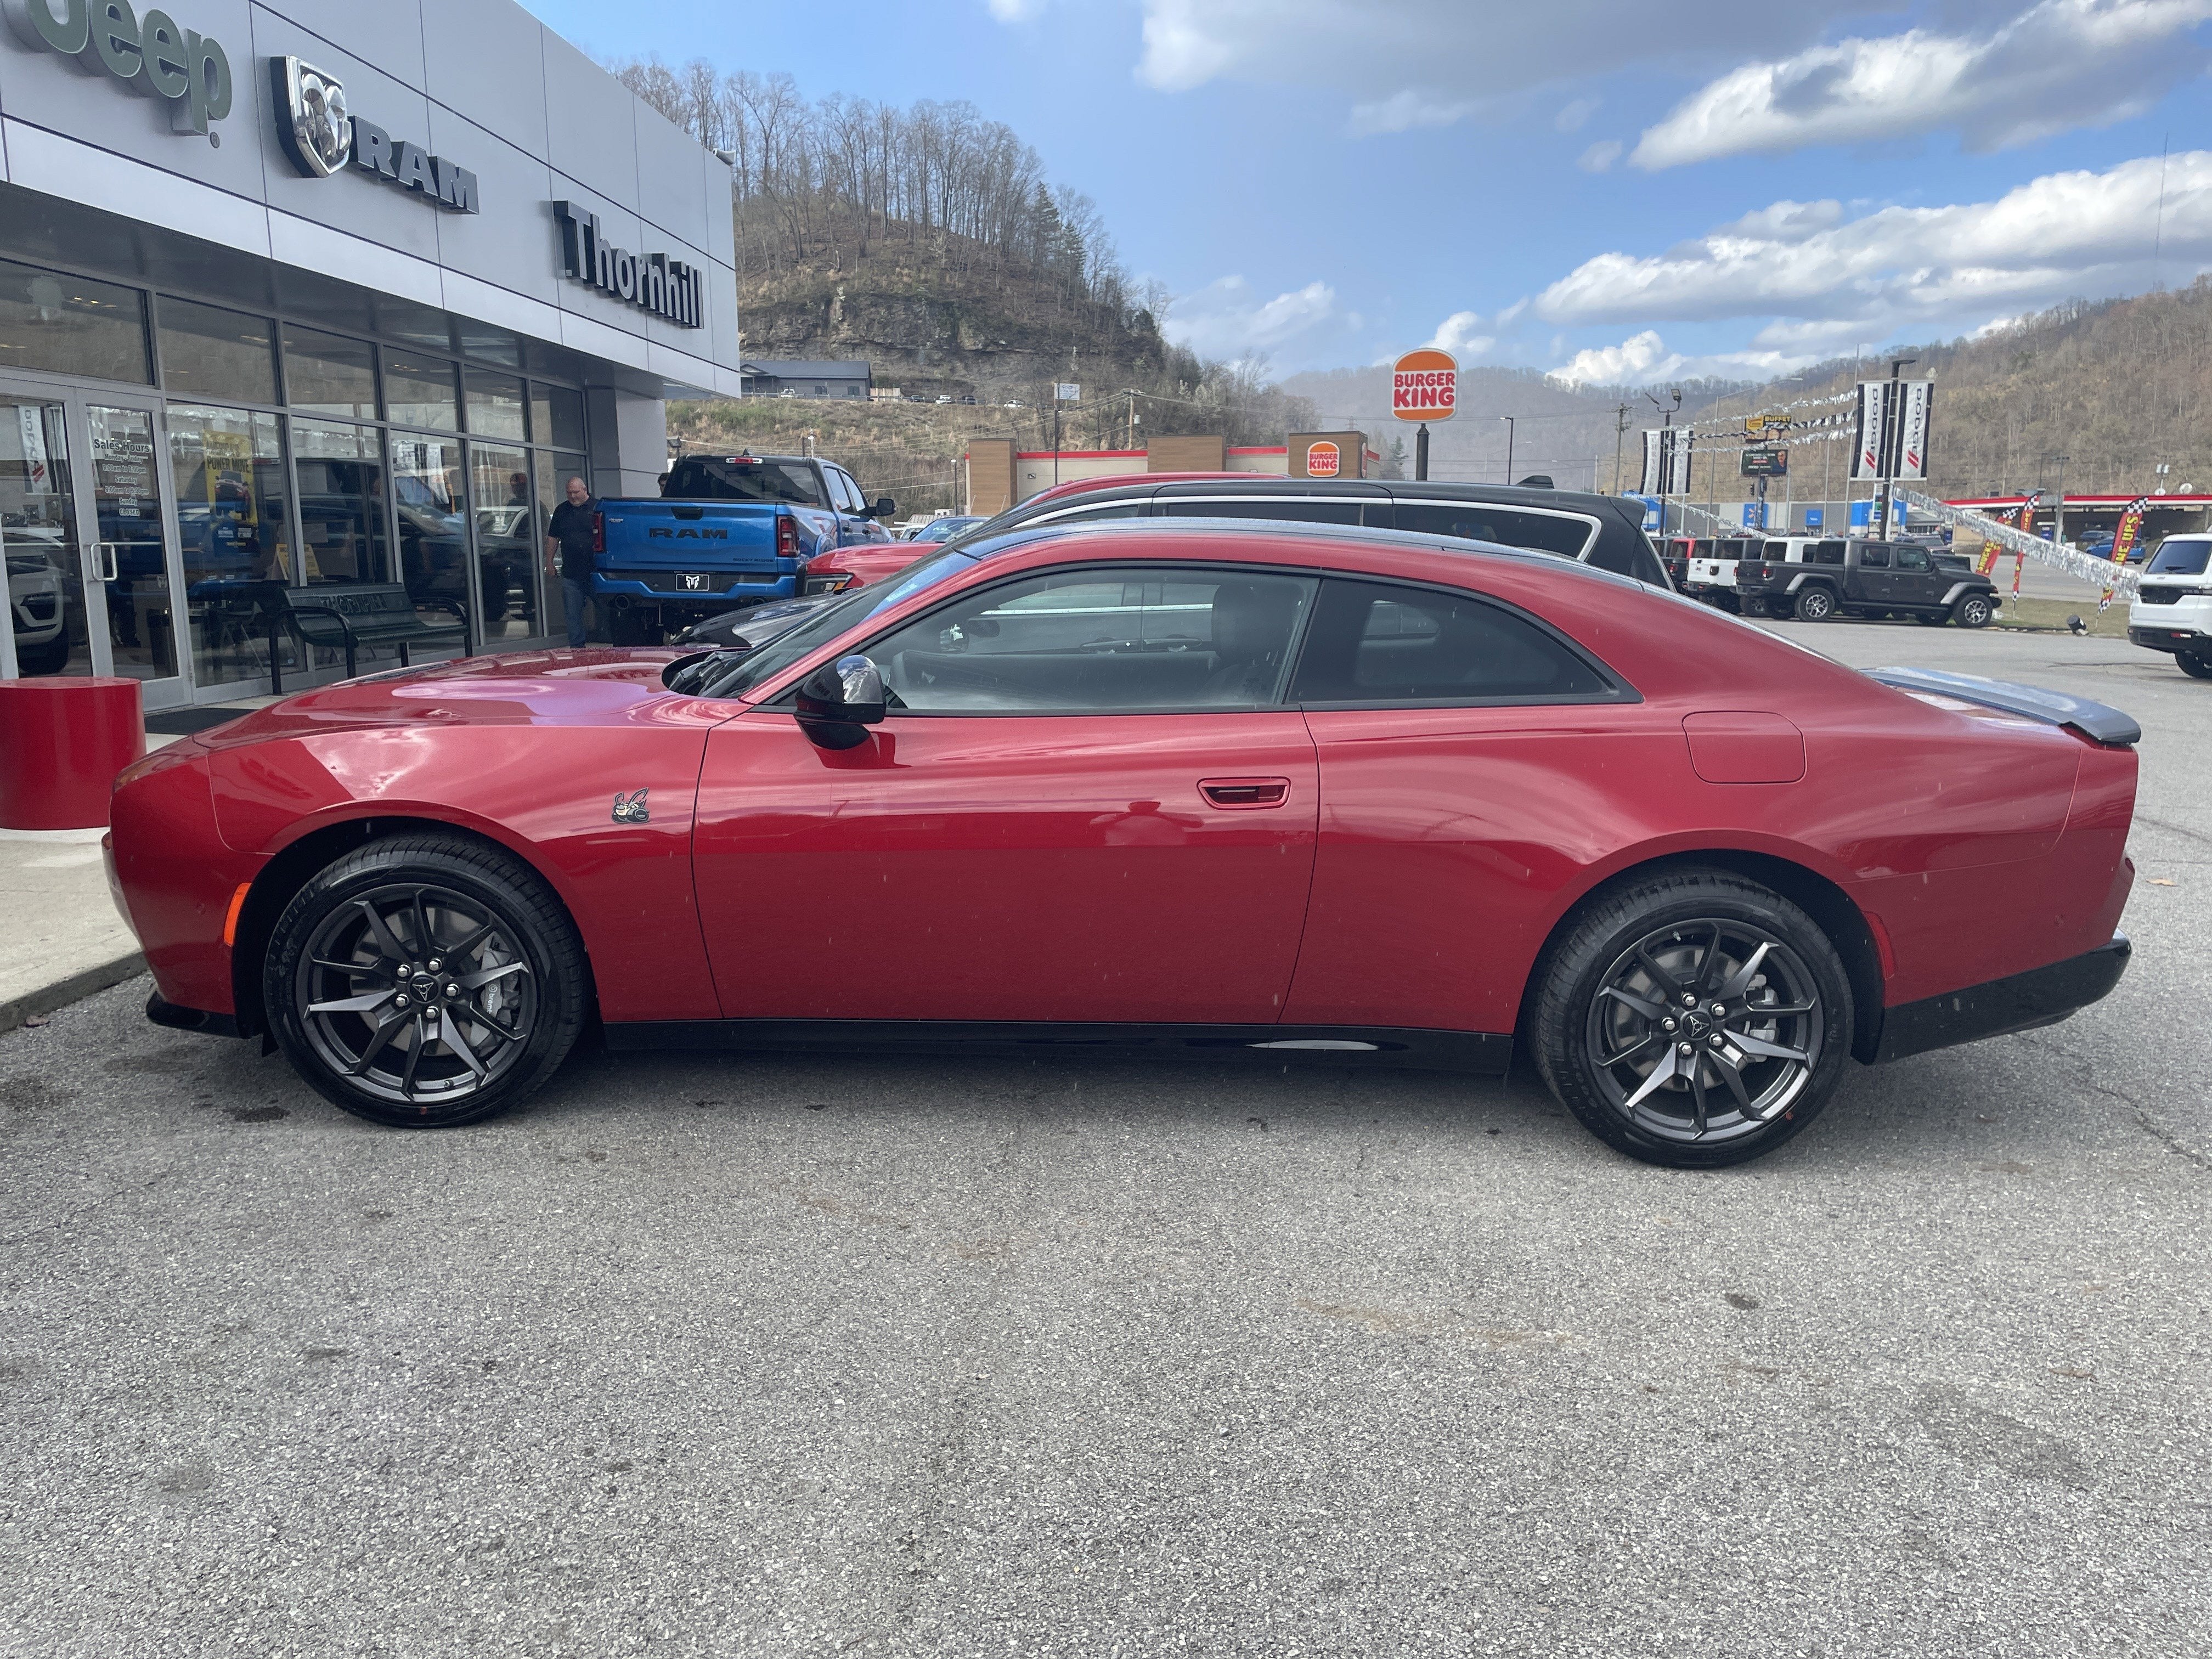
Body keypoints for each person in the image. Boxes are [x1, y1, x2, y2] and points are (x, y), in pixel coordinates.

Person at [546, 475, 596, 647]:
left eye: (576, 492)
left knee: (607, 610)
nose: (573, 496)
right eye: (569, 493)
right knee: (572, 614)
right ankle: (577, 649)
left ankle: (615, 644)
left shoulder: (598, 508)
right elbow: (553, 538)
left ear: (585, 490)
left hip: (597, 571)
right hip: (571, 573)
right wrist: (549, 562)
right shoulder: (561, 511)